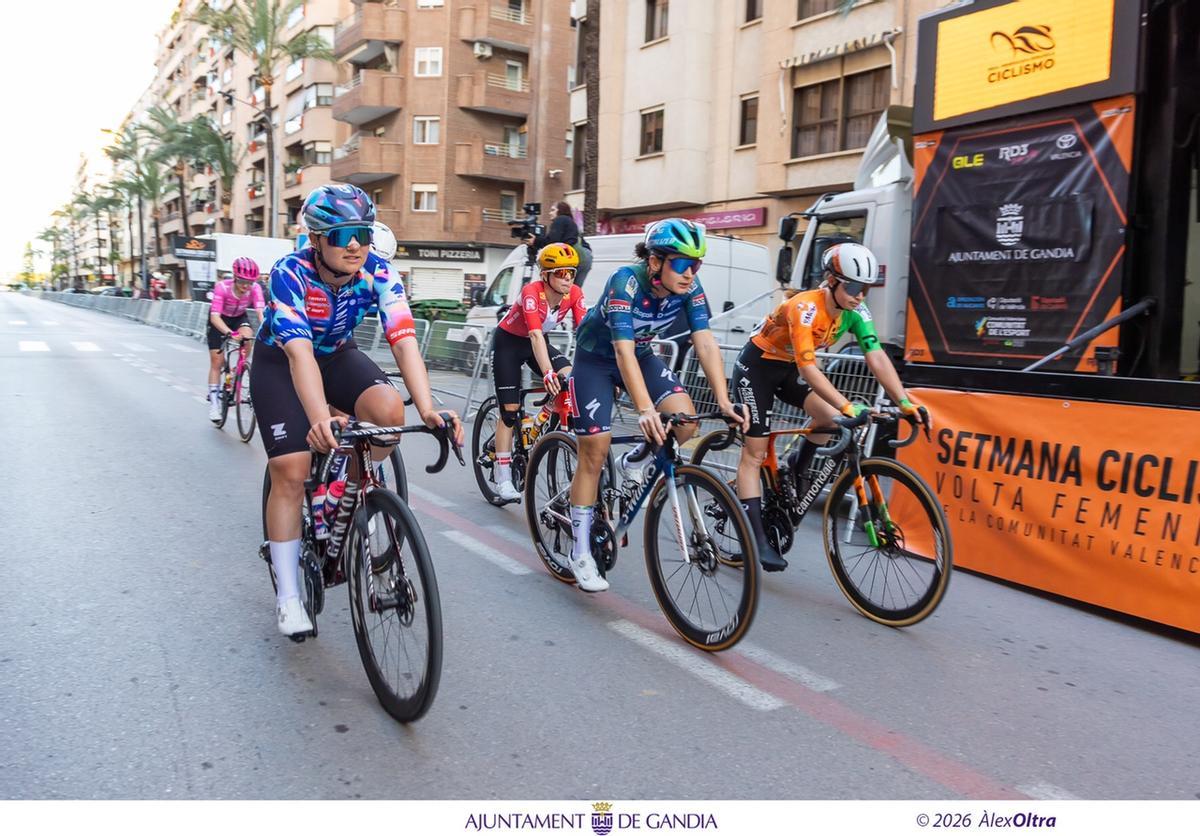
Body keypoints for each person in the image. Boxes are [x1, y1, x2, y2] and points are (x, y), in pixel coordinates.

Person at [251, 183, 463, 636]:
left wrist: (427, 409)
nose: (354, 244)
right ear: (316, 240)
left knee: (388, 412)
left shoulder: (379, 273)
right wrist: (319, 418)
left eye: (363, 234)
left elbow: (404, 339)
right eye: (342, 233)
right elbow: (300, 356)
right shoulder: (290, 272)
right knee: (290, 468)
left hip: (336, 355)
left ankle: (344, 487)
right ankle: (289, 595)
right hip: (283, 360)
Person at [564, 219, 748, 592]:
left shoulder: (689, 289)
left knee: (686, 422)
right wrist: (646, 409)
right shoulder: (625, 281)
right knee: (594, 451)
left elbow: (706, 343)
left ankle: (635, 460)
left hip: (642, 355)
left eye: (697, 264)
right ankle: (580, 551)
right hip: (596, 361)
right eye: (682, 264)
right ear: (654, 262)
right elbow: (621, 349)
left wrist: (725, 400)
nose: (691, 273)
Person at [733, 242, 932, 572]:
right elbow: (810, 369)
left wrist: (905, 401)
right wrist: (848, 404)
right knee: (754, 453)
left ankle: (796, 468)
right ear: (831, 280)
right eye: (853, 287)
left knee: (830, 420)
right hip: (758, 368)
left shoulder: (856, 312)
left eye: (865, 288)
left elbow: (876, 355)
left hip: (789, 371)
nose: (859, 295)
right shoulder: (804, 307)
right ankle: (755, 540)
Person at [490, 243, 586, 502]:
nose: (567, 278)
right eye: (560, 273)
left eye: (571, 273)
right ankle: (502, 477)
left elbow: (585, 331)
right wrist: (546, 373)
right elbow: (533, 333)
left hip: (538, 343)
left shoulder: (574, 294)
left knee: (570, 379)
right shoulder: (532, 292)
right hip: (509, 343)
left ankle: (541, 419)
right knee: (509, 412)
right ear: (545, 275)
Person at [206, 257, 265, 422]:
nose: (246, 286)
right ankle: (214, 405)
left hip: (239, 317)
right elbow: (215, 317)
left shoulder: (255, 288)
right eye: (242, 281)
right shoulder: (222, 288)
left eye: (250, 282)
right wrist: (230, 334)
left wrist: (269, 330)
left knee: (248, 336)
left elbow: (261, 313)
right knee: (217, 362)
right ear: (234, 277)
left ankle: (237, 369)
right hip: (219, 320)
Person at [525, 201, 591, 288]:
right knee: (573, 290)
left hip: (574, 257)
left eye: (553, 210)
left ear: (560, 211)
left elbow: (552, 241)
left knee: (560, 290)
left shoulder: (560, 219)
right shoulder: (570, 222)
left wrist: (535, 241)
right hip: (585, 258)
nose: (550, 213)